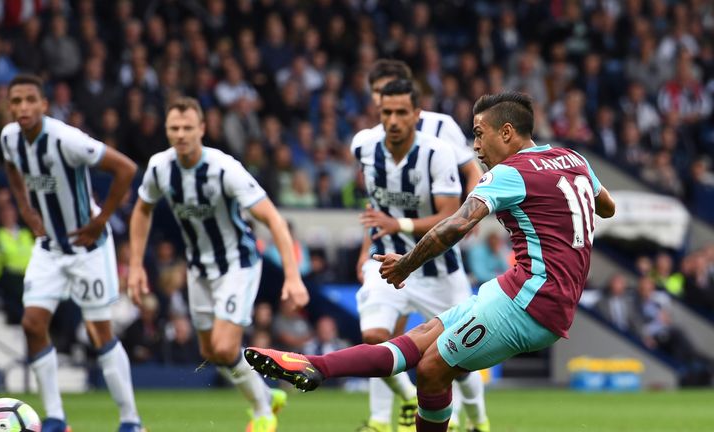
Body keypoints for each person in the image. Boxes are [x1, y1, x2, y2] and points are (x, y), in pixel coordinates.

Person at [245, 92, 616, 432]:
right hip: (521, 287)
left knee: (432, 369)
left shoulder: (509, 174)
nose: (475, 146)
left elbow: (455, 225)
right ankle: (315, 366)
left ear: (506, 132)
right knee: (418, 341)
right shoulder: (574, 159)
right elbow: (607, 207)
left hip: (532, 302)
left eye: (478, 133)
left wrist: (406, 264)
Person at [127, 97, 310, 432]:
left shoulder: (224, 169)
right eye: (174, 128)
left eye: (187, 128)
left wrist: (292, 275)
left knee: (226, 347)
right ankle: (267, 395)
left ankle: (262, 411)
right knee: (210, 350)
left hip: (236, 264)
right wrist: (136, 265)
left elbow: (273, 218)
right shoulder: (160, 167)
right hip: (198, 269)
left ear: (202, 129)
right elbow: (141, 209)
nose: (180, 134)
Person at [0, 74, 145, 432]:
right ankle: (55, 419)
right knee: (32, 324)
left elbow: (126, 169)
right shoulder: (9, 139)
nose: (23, 108)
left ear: (44, 105)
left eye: (30, 100)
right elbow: (11, 169)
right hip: (49, 247)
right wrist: (25, 208)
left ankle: (131, 421)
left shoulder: (66, 139)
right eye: (16, 101)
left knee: (99, 333)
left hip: (88, 246)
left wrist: (102, 220)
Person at [353, 60, 486, 432]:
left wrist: (469, 216)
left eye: (391, 95)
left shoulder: (440, 133)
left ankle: (476, 419)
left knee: (459, 355)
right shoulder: (366, 144)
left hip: (438, 263)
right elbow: (377, 203)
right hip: (389, 258)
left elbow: (469, 173)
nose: (385, 103)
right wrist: (368, 246)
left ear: (414, 105)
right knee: (379, 338)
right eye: (379, 96)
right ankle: (382, 419)